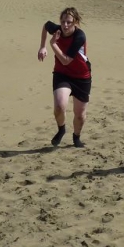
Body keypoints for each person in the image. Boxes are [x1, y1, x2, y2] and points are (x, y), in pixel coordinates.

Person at [37, 8, 91, 148]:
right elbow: (45, 26)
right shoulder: (58, 29)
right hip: (62, 74)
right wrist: (42, 47)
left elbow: (66, 60)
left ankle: (76, 137)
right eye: (62, 22)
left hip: (81, 77)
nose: (65, 25)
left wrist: (53, 44)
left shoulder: (80, 36)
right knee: (60, 106)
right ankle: (61, 129)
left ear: (76, 23)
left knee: (79, 115)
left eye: (69, 22)